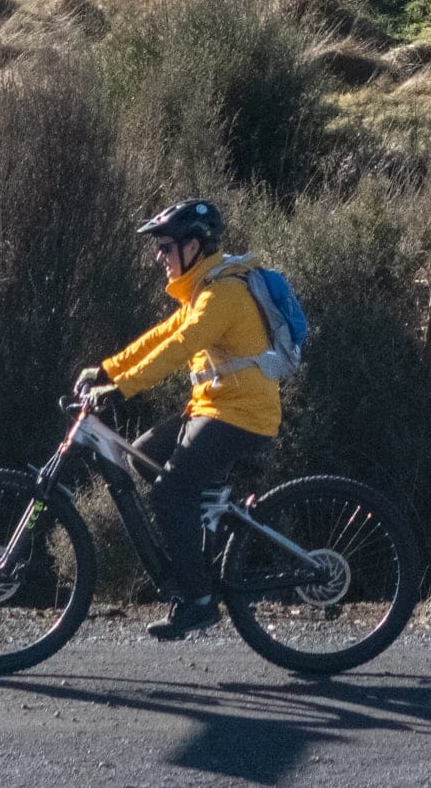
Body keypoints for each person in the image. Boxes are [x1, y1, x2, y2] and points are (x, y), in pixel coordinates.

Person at [82, 198, 282, 642]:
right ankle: (210, 524)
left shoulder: (222, 294)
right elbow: (165, 334)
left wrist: (122, 387)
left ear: (194, 245)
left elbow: (180, 346)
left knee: (170, 494)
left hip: (242, 413)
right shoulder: (205, 289)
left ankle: (199, 600)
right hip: (213, 406)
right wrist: (109, 370)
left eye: (166, 246)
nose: (160, 256)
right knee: (142, 457)